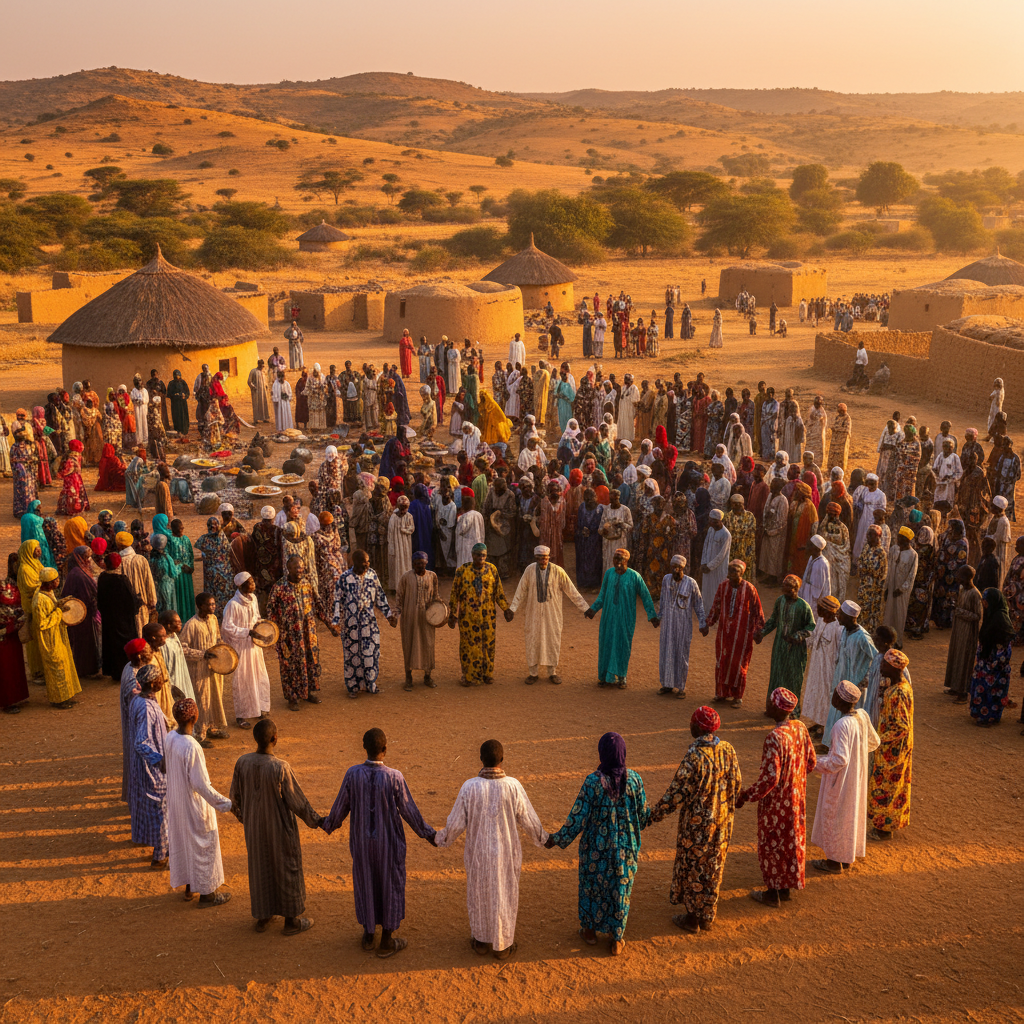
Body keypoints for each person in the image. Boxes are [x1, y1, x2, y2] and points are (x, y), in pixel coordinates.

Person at [322, 727, 436, 958]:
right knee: (390, 883)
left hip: (362, 844)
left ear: (364, 748)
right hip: (389, 843)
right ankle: (386, 940)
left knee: (366, 882)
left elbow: (340, 808)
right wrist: (429, 834)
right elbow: (408, 810)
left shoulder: (352, 774)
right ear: (385, 749)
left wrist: (326, 823)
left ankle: (368, 934)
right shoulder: (394, 777)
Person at [435, 737, 547, 960]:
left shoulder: (470, 787)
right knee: (505, 894)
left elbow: (455, 824)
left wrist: (440, 838)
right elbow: (529, 819)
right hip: (507, 853)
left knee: (479, 894)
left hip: (478, 854)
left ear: (480, 759)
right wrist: (544, 839)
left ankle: (480, 941)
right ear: (502, 760)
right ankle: (503, 944)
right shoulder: (513, 786)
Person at [545, 733, 652, 956]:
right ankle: (616, 938)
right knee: (620, 889)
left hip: (595, 849)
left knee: (591, 887)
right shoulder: (635, 780)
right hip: (625, 850)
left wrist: (556, 839)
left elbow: (578, 817)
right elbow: (643, 817)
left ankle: (590, 931)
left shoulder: (593, 782)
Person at [649, 706, 741, 931]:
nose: (689, 726)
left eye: (692, 723)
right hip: (722, 823)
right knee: (714, 865)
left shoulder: (694, 757)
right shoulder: (727, 749)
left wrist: (652, 816)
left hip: (697, 826)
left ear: (698, 728)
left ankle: (692, 918)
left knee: (694, 867)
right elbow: (737, 784)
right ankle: (707, 915)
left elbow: (675, 795)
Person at [230, 718, 324, 935]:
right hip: (280, 829)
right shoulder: (280, 767)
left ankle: (263, 916)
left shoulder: (242, 762)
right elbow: (298, 803)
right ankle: (291, 921)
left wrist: (249, 820)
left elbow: (234, 800)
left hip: (254, 830)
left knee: (260, 868)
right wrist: (317, 821)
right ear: (275, 739)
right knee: (287, 867)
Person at [737, 687, 817, 906]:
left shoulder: (774, 737)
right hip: (796, 798)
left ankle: (773, 893)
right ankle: (785, 888)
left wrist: (745, 796)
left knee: (772, 843)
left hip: (777, 802)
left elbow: (769, 779)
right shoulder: (800, 728)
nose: (767, 705)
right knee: (790, 841)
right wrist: (795, 780)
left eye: (770, 703)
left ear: (776, 707)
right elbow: (811, 761)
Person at [164, 697, 233, 905]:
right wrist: (227, 804)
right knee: (203, 844)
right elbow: (201, 785)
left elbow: (164, 765)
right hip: (194, 806)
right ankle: (208, 894)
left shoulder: (170, 738)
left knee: (185, 842)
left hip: (177, 802)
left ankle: (188, 887)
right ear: (195, 717)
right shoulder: (192, 746)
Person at [811, 680, 881, 873]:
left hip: (840, 779)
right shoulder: (861, 716)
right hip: (855, 776)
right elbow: (874, 741)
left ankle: (833, 862)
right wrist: (857, 756)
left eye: (835, 694)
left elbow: (839, 760)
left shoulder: (841, 725)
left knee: (835, 814)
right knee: (849, 815)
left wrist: (813, 762)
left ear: (839, 699)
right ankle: (845, 856)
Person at [508, 544, 589, 685]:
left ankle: (552, 672)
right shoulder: (529, 570)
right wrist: (512, 608)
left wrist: (585, 608)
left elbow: (571, 590)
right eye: (539, 558)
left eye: (545, 558)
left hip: (553, 614)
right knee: (532, 638)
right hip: (533, 613)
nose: (542, 561)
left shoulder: (558, 571)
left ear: (549, 557)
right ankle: (533, 673)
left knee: (552, 639)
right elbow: (521, 590)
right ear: (536, 558)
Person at [586, 548, 659, 689]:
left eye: (620, 560)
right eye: (615, 559)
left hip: (626, 617)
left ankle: (621, 676)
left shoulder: (634, 576)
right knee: (606, 643)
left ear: (626, 561)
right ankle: (604, 676)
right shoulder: (608, 574)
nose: (617, 563)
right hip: (608, 615)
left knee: (623, 645)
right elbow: (602, 595)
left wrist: (652, 616)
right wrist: (593, 609)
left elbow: (645, 596)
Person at [331, 549, 397, 698]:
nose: (366, 566)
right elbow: (337, 602)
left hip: (369, 623)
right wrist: (335, 623)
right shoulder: (344, 579)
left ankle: (370, 683)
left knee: (371, 653)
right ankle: (353, 686)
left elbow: (380, 596)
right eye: (362, 564)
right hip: (351, 624)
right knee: (352, 655)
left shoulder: (372, 575)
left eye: (367, 563)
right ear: (354, 563)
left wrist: (389, 615)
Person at [448, 543, 513, 686]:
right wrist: (452, 614)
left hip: (488, 616)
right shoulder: (462, 571)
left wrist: (506, 609)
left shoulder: (492, 570)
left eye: (483, 555)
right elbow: (454, 594)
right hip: (468, 617)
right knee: (468, 645)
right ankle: (468, 676)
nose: (481, 558)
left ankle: (487, 674)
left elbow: (498, 591)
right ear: (472, 555)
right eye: (478, 555)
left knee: (488, 644)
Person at [867, 649, 914, 841]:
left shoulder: (897, 693)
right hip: (895, 747)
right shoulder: (900, 687)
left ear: (894, 668)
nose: (881, 666)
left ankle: (883, 829)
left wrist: (878, 738)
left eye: (885, 664)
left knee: (885, 787)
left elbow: (902, 727)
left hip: (892, 750)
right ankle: (886, 826)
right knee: (892, 786)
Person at [266, 556, 323, 711]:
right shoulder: (279, 587)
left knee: (310, 661)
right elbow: (270, 610)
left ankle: (308, 692)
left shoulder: (307, 584)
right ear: (288, 568)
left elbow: (317, 604)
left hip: (308, 633)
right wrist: (274, 633)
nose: (299, 570)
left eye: (301, 567)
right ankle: (292, 697)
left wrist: (329, 624)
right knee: (289, 666)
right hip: (288, 636)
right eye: (296, 567)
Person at [706, 560, 765, 708]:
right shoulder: (723, 587)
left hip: (742, 634)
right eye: (730, 571)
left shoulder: (750, 589)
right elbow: (716, 606)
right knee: (722, 660)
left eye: (735, 572)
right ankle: (721, 693)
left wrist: (758, 631)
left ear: (742, 573)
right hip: (724, 632)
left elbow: (758, 612)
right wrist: (708, 623)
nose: (731, 574)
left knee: (739, 664)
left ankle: (737, 696)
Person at [127, 663, 169, 866]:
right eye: (159, 678)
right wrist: (159, 760)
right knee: (160, 809)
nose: (163, 680)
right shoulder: (145, 706)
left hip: (145, 765)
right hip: (151, 767)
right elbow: (141, 742)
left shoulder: (142, 699)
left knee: (156, 808)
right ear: (152, 683)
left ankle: (164, 847)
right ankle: (160, 857)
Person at [822, 601, 879, 746]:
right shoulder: (844, 631)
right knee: (836, 709)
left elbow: (876, 657)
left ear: (849, 617)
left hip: (855, 684)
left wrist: (865, 680)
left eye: (840, 614)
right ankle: (831, 743)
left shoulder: (863, 637)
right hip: (841, 679)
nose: (837, 616)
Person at [757, 574, 815, 712]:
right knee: (777, 675)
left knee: (793, 679)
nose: (784, 588)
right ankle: (773, 708)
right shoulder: (780, 601)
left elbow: (810, 627)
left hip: (796, 650)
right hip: (779, 646)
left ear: (795, 589)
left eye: (788, 586)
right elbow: (774, 620)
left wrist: (796, 636)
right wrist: (762, 632)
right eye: (784, 585)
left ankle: (791, 711)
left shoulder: (803, 606)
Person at [221, 572, 271, 727]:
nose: (253, 584)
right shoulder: (233, 605)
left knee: (258, 675)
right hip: (241, 646)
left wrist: (263, 628)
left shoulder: (253, 599)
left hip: (254, 645)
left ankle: (260, 708)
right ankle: (241, 715)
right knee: (242, 679)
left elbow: (256, 618)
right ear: (241, 586)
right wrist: (247, 632)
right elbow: (227, 627)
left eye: (253, 581)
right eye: (250, 582)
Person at [179, 593, 229, 744]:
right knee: (201, 700)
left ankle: (211, 728)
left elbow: (218, 638)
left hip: (214, 669)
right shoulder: (191, 625)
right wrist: (202, 654)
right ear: (200, 606)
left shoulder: (213, 619)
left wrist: (224, 651)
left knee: (215, 697)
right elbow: (183, 649)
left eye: (214, 604)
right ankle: (199, 735)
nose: (213, 607)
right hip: (198, 669)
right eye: (210, 604)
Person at [657, 555, 708, 697]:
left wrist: (703, 623)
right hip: (667, 624)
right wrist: (658, 616)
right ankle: (666, 684)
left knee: (681, 654)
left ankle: (680, 687)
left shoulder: (691, 583)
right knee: (666, 652)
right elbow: (662, 600)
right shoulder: (666, 579)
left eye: (678, 568)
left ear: (683, 568)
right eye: (673, 567)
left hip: (683, 626)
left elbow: (698, 604)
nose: (675, 570)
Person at [33, 567, 82, 708]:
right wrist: (59, 612)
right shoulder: (39, 600)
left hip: (57, 635)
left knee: (64, 664)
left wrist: (61, 603)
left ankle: (66, 696)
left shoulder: (48, 593)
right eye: (56, 580)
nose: (58, 582)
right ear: (48, 583)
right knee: (57, 667)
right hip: (49, 639)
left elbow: (53, 608)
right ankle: (58, 699)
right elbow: (42, 623)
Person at [969, 588, 1015, 726]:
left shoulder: (1000, 619)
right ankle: (982, 714)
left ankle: (989, 716)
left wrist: (992, 662)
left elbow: (1003, 642)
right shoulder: (992, 615)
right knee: (983, 686)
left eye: (985, 600)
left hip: (995, 662)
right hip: (987, 659)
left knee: (991, 688)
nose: (983, 603)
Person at [395, 552, 440, 690]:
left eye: (423, 563)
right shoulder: (406, 577)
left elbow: (436, 596)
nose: (420, 566)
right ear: (413, 564)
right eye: (417, 563)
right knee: (409, 644)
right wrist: (396, 614)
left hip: (427, 618)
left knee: (428, 644)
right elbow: (399, 598)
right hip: (410, 617)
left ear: (426, 563)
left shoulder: (432, 576)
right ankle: (408, 677)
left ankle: (428, 676)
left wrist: (440, 611)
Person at [802, 596, 844, 734]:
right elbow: (814, 637)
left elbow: (839, 651)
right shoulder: (820, 620)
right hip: (816, 664)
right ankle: (819, 722)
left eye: (820, 608)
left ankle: (826, 727)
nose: (817, 610)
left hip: (829, 668)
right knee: (816, 692)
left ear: (829, 611)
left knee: (826, 695)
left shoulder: (838, 629)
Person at [0, 552, 29, 714]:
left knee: (15, 665)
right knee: (6, 667)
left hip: (13, 632)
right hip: (4, 633)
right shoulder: (5, 586)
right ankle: (8, 702)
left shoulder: (18, 585)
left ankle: (16, 697)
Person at [883, 527, 919, 648]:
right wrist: (887, 587)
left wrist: (902, 589)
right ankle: (886, 638)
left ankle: (898, 642)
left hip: (902, 591)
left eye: (900, 538)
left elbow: (911, 575)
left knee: (900, 615)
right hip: (891, 586)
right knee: (888, 613)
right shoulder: (894, 549)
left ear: (906, 540)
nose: (897, 540)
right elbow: (888, 568)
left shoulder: (913, 555)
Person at [856, 526, 888, 632]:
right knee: (862, 610)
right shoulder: (866, 547)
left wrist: (866, 570)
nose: (868, 537)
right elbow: (860, 561)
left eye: (871, 535)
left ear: (877, 536)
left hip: (874, 590)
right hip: (864, 586)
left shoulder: (881, 553)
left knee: (871, 613)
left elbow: (881, 573)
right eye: (868, 534)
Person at [700, 508, 732, 607]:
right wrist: (703, 563)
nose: (711, 523)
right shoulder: (710, 530)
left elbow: (721, 555)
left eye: (713, 521)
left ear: (719, 521)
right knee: (706, 591)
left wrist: (710, 566)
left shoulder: (726, 534)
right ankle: (706, 612)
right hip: (707, 566)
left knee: (717, 590)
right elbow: (705, 546)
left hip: (718, 569)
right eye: (710, 520)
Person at [799, 534, 831, 608]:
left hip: (814, 600)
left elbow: (818, 590)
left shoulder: (822, 563)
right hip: (807, 595)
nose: (807, 548)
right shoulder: (811, 558)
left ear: (816, 549)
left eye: (810, 546)